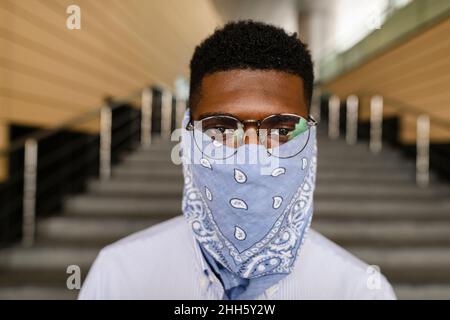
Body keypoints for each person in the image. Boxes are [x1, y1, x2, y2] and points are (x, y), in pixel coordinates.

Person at [79, 20, 396, 300]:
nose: (251, 153)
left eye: (281, 129)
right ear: (188, 135)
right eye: (220, 128)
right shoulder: (119, 276)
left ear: (310, 139)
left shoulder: (359, 290)